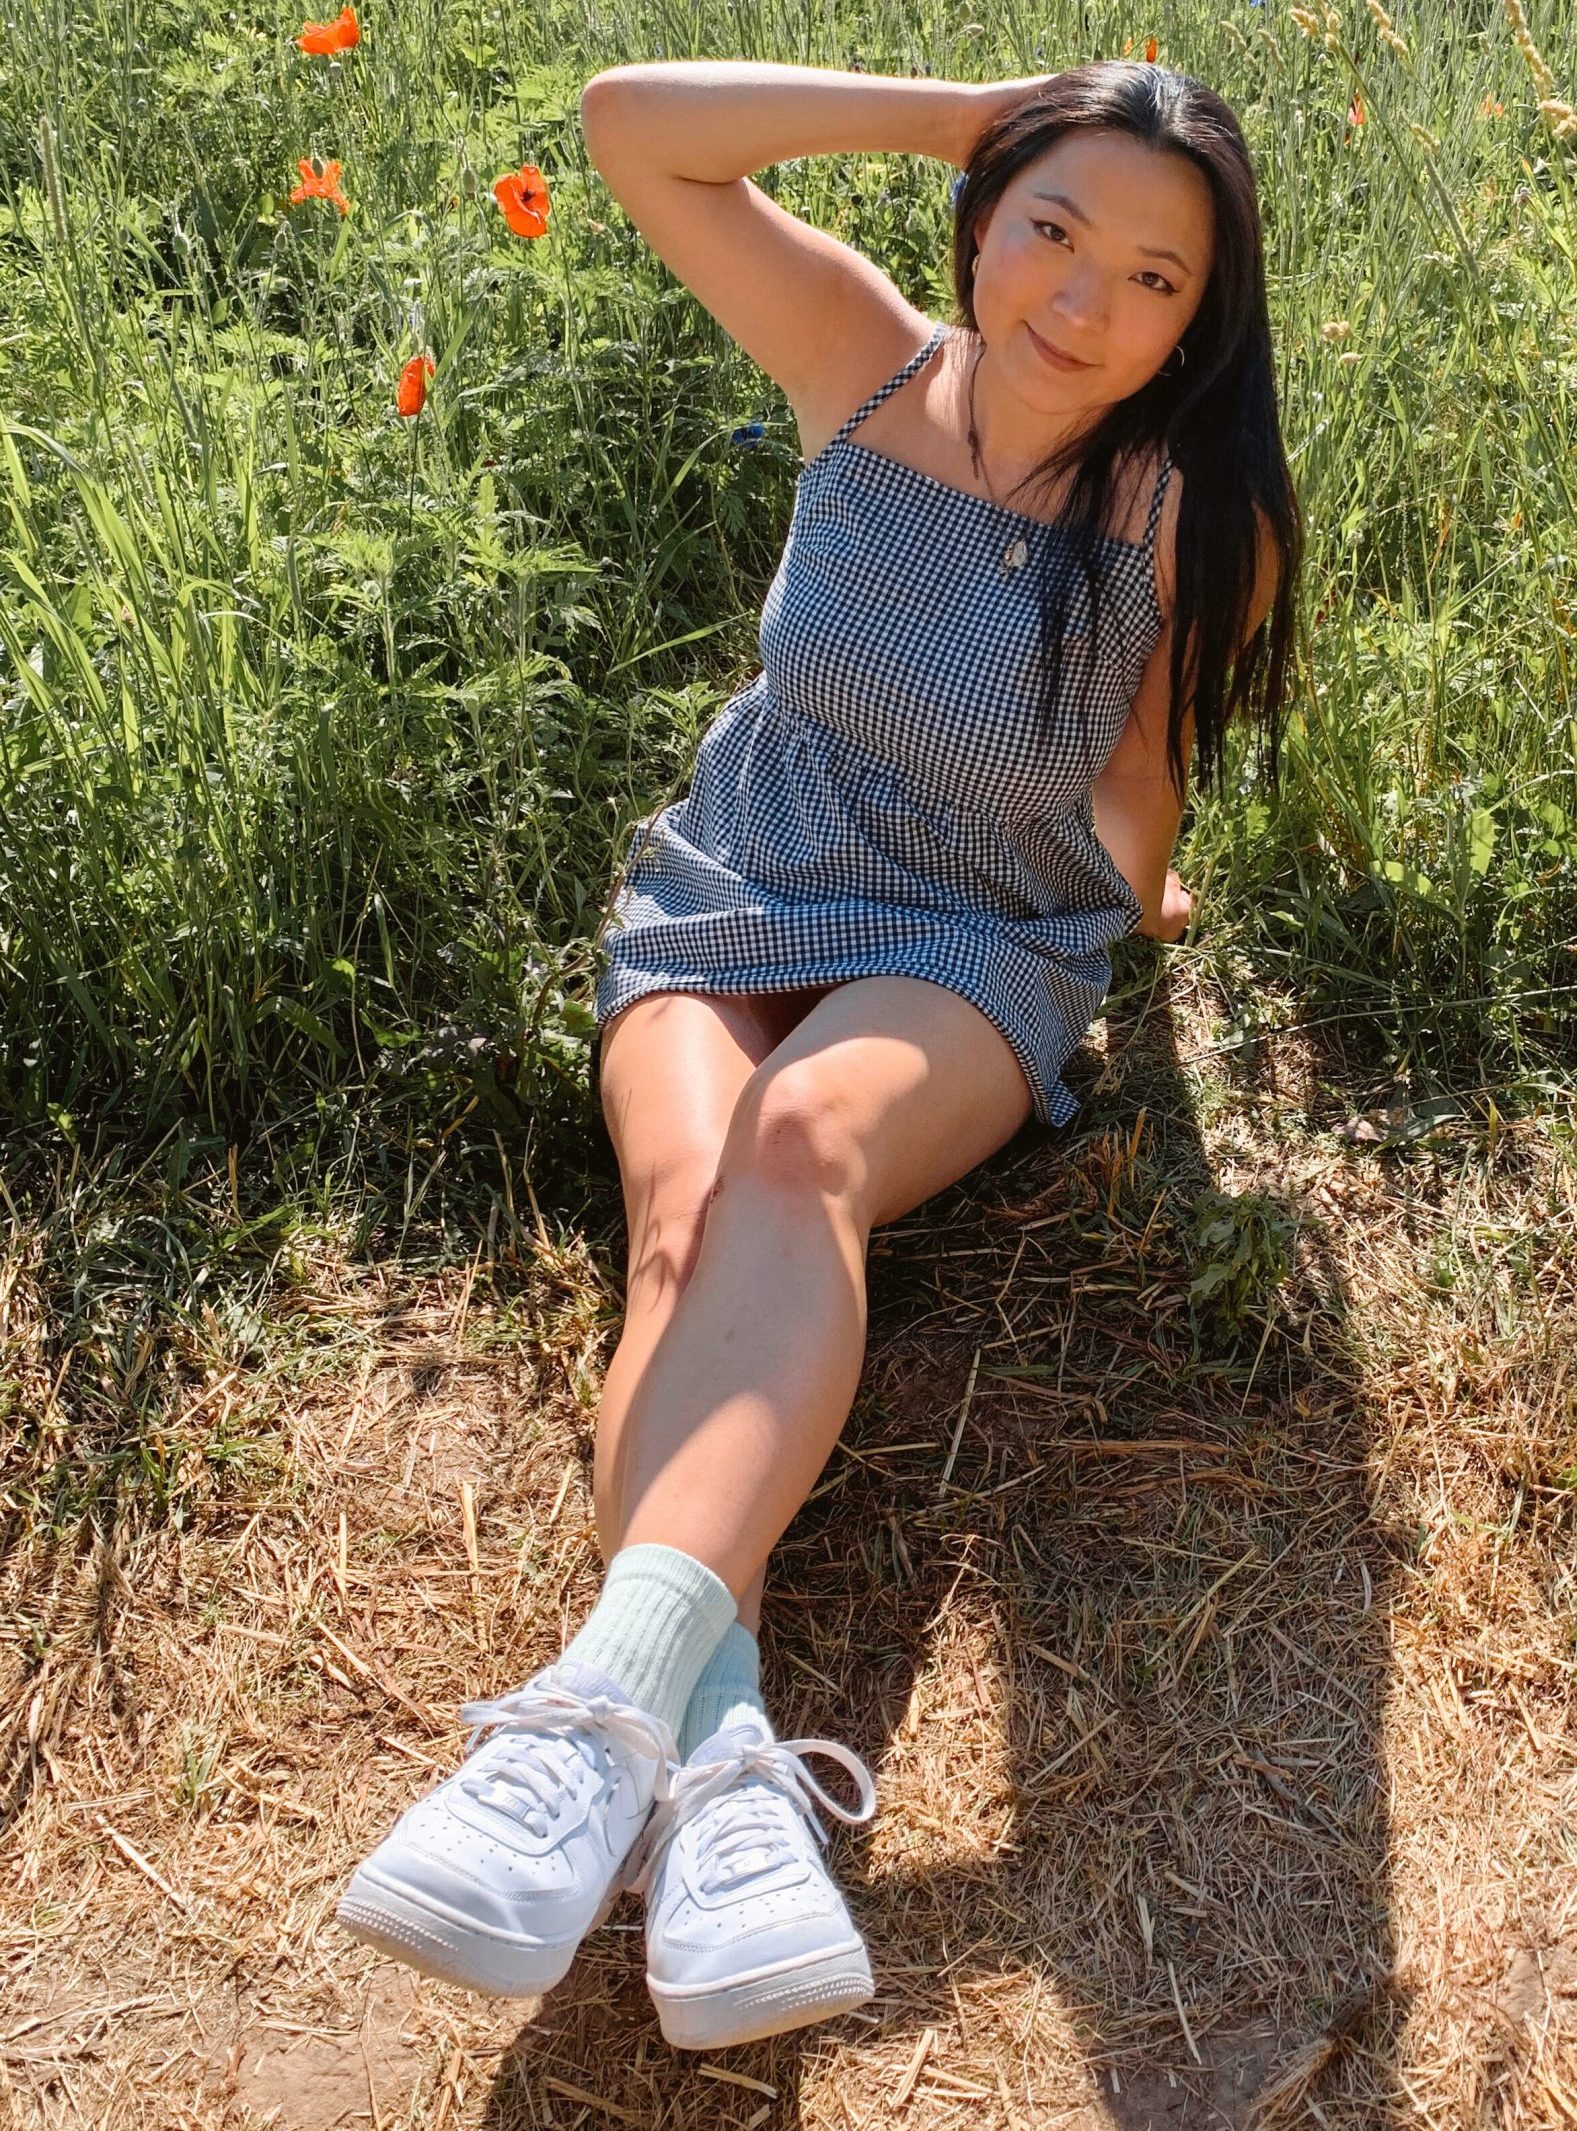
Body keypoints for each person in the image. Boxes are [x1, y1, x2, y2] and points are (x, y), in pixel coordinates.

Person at [335, 54, 1302, 2052]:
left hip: (973, 937)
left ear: (1198, 326)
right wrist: (970, 113)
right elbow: (628, 122)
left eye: (1151, 278)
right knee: (684, 1216)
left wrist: (1139, 885)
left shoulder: (1179, 511)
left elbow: (1144, 791)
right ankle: (717, 1782)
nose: (1081, 303)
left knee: (794, 1147)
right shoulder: (863, 359)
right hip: (736, 881)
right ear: (981, 215)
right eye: (1051, 227)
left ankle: (597, 1708)